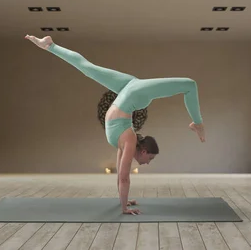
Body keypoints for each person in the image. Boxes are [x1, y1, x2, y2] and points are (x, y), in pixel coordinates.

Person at [25, 35, 206, 215]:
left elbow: (120, 175)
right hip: (137, 93)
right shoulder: (129, 139)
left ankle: (51, 46)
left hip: (129, 88)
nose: (147, 163)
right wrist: (125, 208)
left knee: (88, 69)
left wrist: (124, 201)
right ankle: (197, 124)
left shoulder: (125, 140)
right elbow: (124, 178)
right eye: (149, 158)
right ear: (143, 151)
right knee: (190, 85)